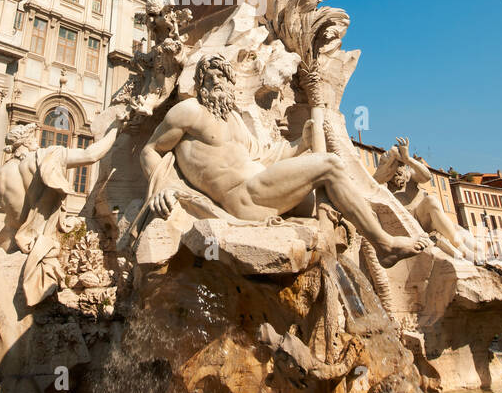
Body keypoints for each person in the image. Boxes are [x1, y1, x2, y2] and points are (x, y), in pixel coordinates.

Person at [140, 53, 429, 264]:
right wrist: (163, 187)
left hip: (261, 188)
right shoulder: (189, 111)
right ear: (200, 82)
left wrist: (301, 144)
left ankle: (361, 240)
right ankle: (384, 244)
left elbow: (267, 160)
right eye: (209, 75)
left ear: (231, 83)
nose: (216, 79)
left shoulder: (235, 122)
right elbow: (150, 150)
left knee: (332, 195)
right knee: (330, 165)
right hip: (242, 197)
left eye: (222, 75)